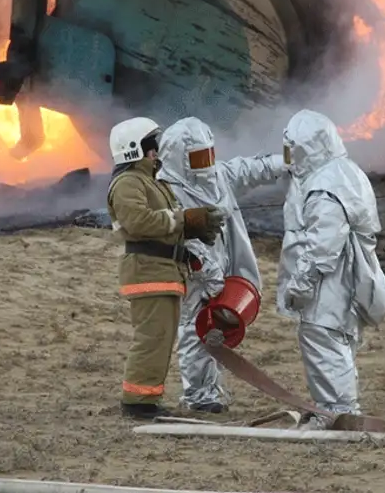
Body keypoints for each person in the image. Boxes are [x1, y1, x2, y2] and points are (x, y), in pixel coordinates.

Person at [156, 116, 286, 413]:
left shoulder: (216, 177)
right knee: (194, 328)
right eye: (198, 157)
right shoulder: (167, 190)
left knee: (215, 328)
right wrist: (209, 274)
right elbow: (183, 237)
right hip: (194, 272)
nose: (205, 163)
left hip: (222, 265)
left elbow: (247, 169)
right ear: (178, 157)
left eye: (208, 155)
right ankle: (200, 397)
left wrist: (283, 163)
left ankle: (211, 390)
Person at [276, 109, 385, 430]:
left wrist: (299, 286)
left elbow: (321, 248)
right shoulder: (343, 172)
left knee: (323, 338)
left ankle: (338, 413)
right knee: (337, 340)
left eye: (293, 151)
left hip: (330, 281)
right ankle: (333, 408)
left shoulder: (325, 184)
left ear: (309, 148)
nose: (290, 159)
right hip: (347, 276)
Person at [106, 116, 226, 420]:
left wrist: (194, 228)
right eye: (152, 146)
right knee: (152, 338)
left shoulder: (151, 183)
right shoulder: (128, 183)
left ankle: (146, 399)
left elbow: (166, 223)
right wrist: (185, 220)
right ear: (137, 149)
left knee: (160, 339)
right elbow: (139, 222)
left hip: (163, 271)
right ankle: (137, 403)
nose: (157, 152)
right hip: (147, 273)